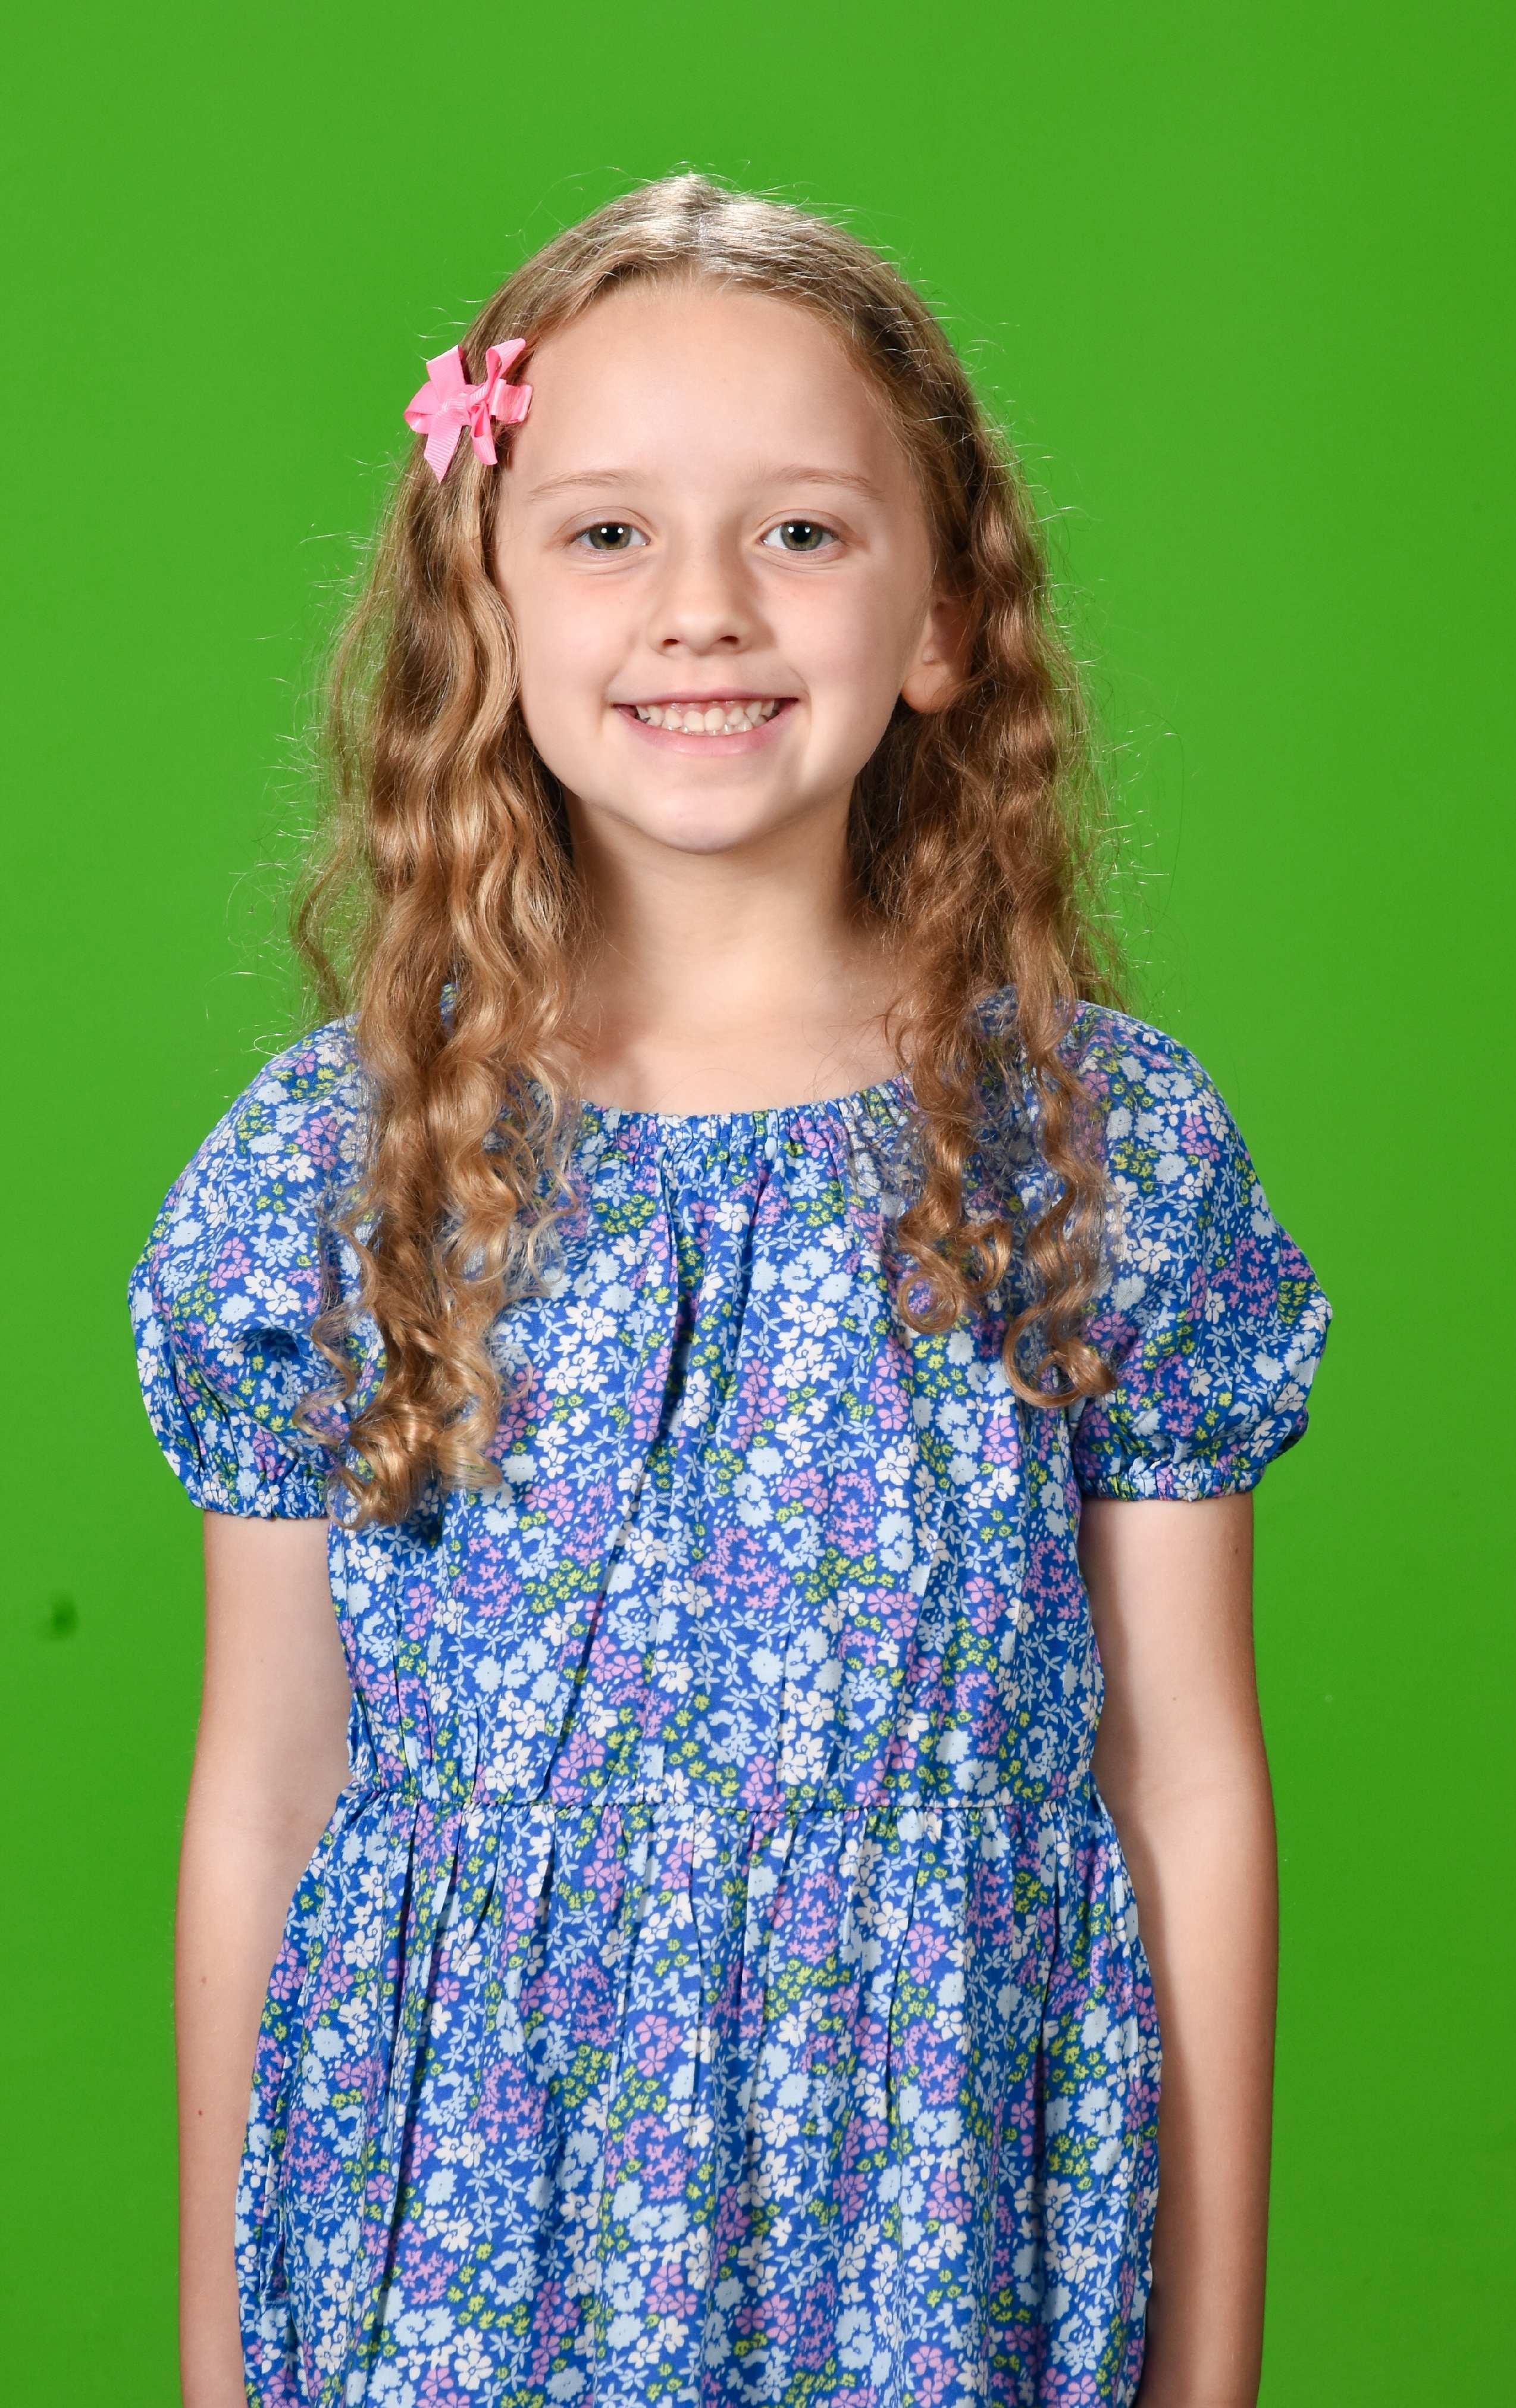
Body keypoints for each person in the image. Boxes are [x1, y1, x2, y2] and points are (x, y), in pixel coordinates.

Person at [131, 175, 1329, 2408]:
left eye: (798, 531)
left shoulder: (1095, 1149)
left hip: (936, 2254)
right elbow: (268, 1796)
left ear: (942, 618)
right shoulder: (331, 1173)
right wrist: (219, 2366)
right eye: (605, 533)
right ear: (482, 604)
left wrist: (1205, 2368)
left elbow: (1181, 1784)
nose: (702, 609)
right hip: (453, 2279)